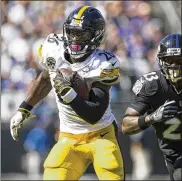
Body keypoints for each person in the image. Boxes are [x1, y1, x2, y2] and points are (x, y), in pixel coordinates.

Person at [10, 5, 125, 180]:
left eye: (82, 34)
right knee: (53, 173)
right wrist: (24, 109)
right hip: (68, 136)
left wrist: (67, 92)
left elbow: (94, 114)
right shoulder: (53, 48)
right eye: (72, 33)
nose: (75, 39)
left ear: (96, 35)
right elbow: (45, 79)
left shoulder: (103, 64)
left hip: (101, 134)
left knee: (111, 170)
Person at [121, 33, 182, 181]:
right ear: (161, 61)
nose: (174, 66)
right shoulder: (153, 85)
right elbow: (125, 126)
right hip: (176, 157)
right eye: (169, 60)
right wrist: (152, 117)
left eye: (179, 60)